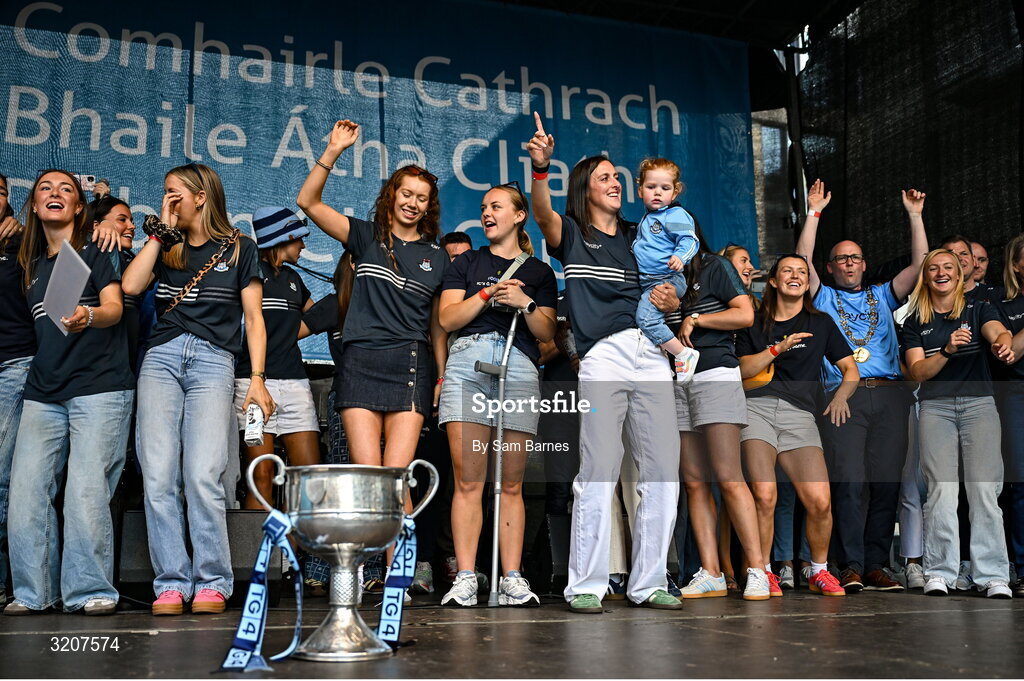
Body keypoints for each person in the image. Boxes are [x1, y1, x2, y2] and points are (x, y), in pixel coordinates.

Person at [527, 113, 682, 612]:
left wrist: (672, 300)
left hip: (653, 354)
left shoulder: (645, 233)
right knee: (598, 470)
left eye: (618, 176)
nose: (615, 182)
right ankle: (587, 584)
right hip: (603, 357)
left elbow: (673, 289)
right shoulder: (570, 232)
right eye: (604, 177)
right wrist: (541, 168)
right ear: (585, 189)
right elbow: (542, 213)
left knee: (662, 472)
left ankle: (649, 581)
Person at [297, 120, 449, 597]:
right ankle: (360, 574)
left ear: (428, 207)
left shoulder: (438, 257)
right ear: (391, 196)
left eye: (421, 197)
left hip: (410, 367)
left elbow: (437, 326)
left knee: (397, 480)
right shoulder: (365, 237)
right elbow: (308, 203)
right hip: (360, 363)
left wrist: (442, 377)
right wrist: (333, 150)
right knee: (370, 481)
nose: (412, 202)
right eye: (406, 193)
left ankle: (399, 577)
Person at [123, 163, 273, 616]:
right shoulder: (165, 248)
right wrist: (159, 233)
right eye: (164, 192)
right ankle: (171, 581)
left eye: (174, 193)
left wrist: (259, 381)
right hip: (162, 357)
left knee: (204, 473)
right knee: (158, 474)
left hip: (213, 359)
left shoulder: (240, 248)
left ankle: (212, 580)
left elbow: (254, 318)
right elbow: (130, 286)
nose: (167, 199)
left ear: (201, 196)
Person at [4, 170, 134, 616]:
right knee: (26, 493)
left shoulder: (97, 248)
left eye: (66, 190)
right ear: (35, 206)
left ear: (79, 207)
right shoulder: (29, 264)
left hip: (99, 388)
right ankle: (33, 592)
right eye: (46, 188)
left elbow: (115, 308)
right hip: (44, 390)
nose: (56, 193)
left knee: (84, 490)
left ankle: (89, 590)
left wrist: (88, 316)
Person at [795, 180, 928, 592]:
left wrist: (915, 216)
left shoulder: (882, 295)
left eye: (855, 258)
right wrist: (814, 213)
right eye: (840, 259)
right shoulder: (823, 298)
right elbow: (801, 260)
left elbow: (922, 266)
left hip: (889, 394)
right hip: (843, 398)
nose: (848, 264)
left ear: (864, 264)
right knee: (849, 480)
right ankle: (849, 565)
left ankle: (875, 565)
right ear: (831, 267)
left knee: (885, 482)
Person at [437, 182, 557, 607]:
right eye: (484, 207)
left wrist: (525, 302)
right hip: (470, 363)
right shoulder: (467, 262)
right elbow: (448, 318)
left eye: (497, 206)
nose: (487, 213)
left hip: (519, 366)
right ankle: (467, 575)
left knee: (511, 483)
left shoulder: (539, 272)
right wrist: (487, 294)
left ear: (519, 215)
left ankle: (511, 577)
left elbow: (546, 332)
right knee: (469, 481)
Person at [736, 254, 860, 598]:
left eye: (803, 271)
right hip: (755, 408)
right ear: (773, 281)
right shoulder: (753, 319)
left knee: (819, 500)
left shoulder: (820, 323)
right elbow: (743, 369)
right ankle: (761, 572)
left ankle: (818, 571)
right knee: (765, 494)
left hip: (800, 414)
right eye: (788, 270)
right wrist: (778, 347)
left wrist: (840, 397)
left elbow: (851, 370)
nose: (796, 275)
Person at [902, 248, 1015, 598]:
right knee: (941, 491)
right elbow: (918, 373)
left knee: (984, 490)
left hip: (980, 405)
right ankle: (940, 572)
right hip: (935, 408)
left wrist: (1002, 343)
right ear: (925, 276)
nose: (941, 272)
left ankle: (993, 575)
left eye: (948, 267)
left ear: (959, 274)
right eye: (933, 268)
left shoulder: (978, 307)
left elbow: (997, 331)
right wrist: (947, 350)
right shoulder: (914, 322)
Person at [670, 231, 770, 601]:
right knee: (695, 483)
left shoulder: (715, 265)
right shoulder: (660, 275)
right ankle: (711, 571)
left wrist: (697, 318)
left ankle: (756, 569)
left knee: (729, 477)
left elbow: (745, 314)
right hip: (677, 377)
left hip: (715, 374)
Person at [236, 206, 320, 511]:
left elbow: (317, 315)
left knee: (308, 477)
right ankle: (260, 558)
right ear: (285, 237)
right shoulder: (246, 270)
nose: (303, 245)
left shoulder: (294, 278)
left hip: (295, 385)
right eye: (299, 238)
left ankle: (300, 559)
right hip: (253, 384)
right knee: (262, 474)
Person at [0, 173, 35, 607]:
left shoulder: (21, 242)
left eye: (3, 191)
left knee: (3, 474)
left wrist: (23, 235)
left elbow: (65, 256)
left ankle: (6, 579)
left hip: (15, 361)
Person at [632, 158, 699, 374]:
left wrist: (681, 257)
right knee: (647, 319)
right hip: (651, 279)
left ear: (675, 192)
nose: (658, 192)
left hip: (666, 278)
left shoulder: (674, 214)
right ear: (640, 189)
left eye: (665, 188)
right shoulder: (648, 217)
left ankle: (683, 354)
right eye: (651, 187)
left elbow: (690, 240)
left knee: (645, 319)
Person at [996, 235, 1024, 594]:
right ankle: (1020, 565)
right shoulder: (1004, 305)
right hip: (1015, 393)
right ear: (1016, 265)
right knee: (1019, 483)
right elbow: (1008, 352)